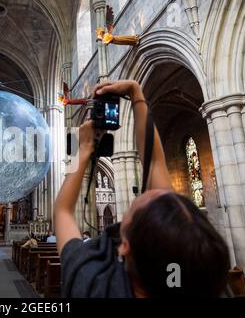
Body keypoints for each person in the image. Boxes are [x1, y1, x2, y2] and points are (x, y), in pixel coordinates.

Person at [54, 80, 230, 298]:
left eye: (137, 210)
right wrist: (136, 95)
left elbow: (62, 211)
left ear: (125, 246)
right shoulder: (202, 281)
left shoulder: (94, 285)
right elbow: (154, 162)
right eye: (170, 198)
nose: (156, 191)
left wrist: (81, 150)